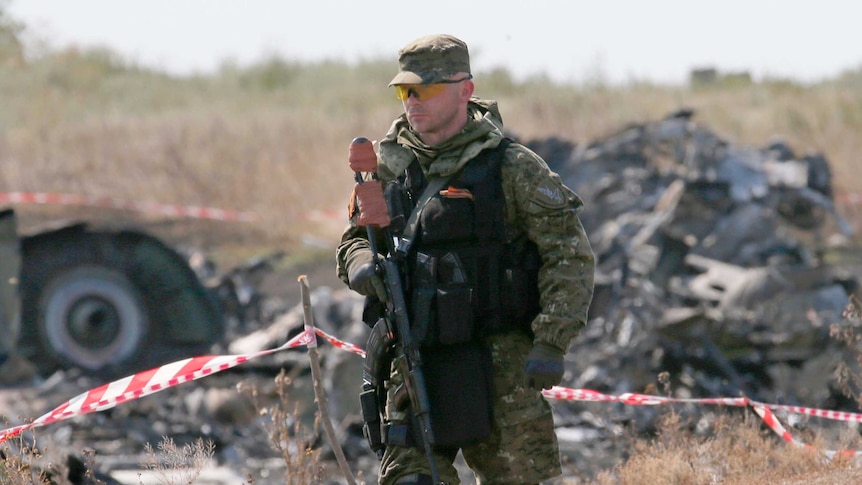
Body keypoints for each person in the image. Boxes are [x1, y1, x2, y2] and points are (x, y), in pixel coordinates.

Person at [336, 34, 595, 485]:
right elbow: (354, 239)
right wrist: (362, 265)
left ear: (465, 91)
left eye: (426, 90)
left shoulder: (511, 168)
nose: (413, 102)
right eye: (405, 91)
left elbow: (568, 255)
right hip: (417, 360)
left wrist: (552, 340)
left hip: (502, 368)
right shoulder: (388, 168)